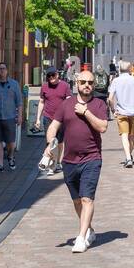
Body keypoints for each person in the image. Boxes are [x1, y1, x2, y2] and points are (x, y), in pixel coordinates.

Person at [45, 68, 110, 253]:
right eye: (83, 82)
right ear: (76, 84)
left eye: (90, 83)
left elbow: (103, 127)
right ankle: (88, 229)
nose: (87, 86)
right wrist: (51, 142)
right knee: (76, 201)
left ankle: (81, 238)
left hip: (92, 158)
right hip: (69, 161)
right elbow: (53, 127)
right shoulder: (66, 105)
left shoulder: (98, 104)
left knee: (87, 198)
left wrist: (86, 112)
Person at [108, 60, 134, 169]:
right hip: (133, 112)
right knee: (131, 136)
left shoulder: (116, 81)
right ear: (130, 69)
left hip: (121, 112)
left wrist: (112, 109)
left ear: (119, 69)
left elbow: (110, 99)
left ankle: (128, 158)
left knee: (124, 135)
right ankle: (129, 156)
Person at [35, 70, 72, 172]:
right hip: (48, 117)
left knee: (59, 142)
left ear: (57, 75)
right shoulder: (44, 87)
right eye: (49, 76)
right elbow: (42, 102)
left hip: (61, 118)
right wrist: (38, 118)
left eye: (53, 75)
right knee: (50, 141)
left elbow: (69, 100)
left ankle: (59, 162)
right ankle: (51, 162)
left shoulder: (65, 86)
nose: (51, 77)